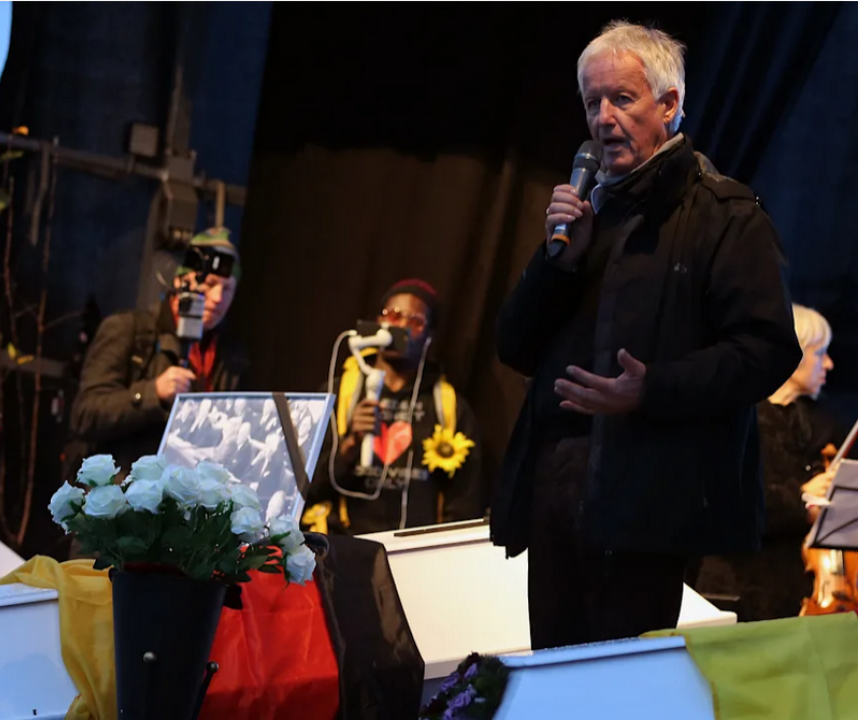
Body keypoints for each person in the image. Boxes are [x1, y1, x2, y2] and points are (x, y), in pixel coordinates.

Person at [490, 21, 801, 650]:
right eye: (591, 103)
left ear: (669, 103)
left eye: (622, 99)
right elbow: (514, 348)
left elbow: (767, 350)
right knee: (557, 677)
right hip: (556, 492)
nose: (602, 119)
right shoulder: (585, 216)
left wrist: (652, 389)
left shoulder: (724, 213)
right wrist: (557, 265)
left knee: (622, 686)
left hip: (650, 498)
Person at [304, 279, 487, 535]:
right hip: (345, 545)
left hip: (419, 550)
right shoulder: (339, 392)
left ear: (429, 337)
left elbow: (465, 499)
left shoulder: (449, 405)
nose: (400, 325)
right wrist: (350, 445)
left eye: (415, 321)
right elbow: (305, 488)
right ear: (378, 323)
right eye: (392, 315)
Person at [696, 304, 842, 621]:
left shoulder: (817, 421)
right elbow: (726, 504)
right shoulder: (735, 417)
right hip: (745, 587)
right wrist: (801, 499)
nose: (829, 363)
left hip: (802, 587)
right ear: (793, 354)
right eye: (820, 353)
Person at [67, 229, 246, 476]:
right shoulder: (129, 329)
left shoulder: (230, 357)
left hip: (186, 491)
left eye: (227, 289)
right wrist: (153, 393)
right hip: (124, 490)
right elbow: (84, 416)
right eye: (210, 284)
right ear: (180, 281)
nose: (218, 298)